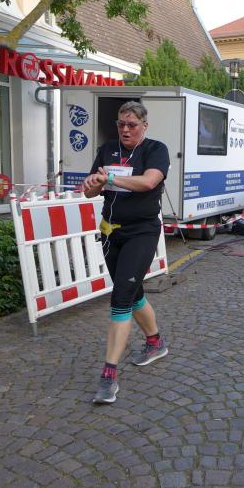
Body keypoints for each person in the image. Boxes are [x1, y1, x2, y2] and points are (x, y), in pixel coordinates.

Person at [82, 101, 170, 404]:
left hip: (142, 232)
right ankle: (155, 342)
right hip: (111, 232)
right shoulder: (107, 149)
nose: (125, 130)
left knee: (120, 297)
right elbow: (89, 191)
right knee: (132, 293)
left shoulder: (155, 149)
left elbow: (148, 182)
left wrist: (109, 178)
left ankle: (108, 375)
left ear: (144, 125)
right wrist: (93, 183)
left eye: (132, 124)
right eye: (121, 124)